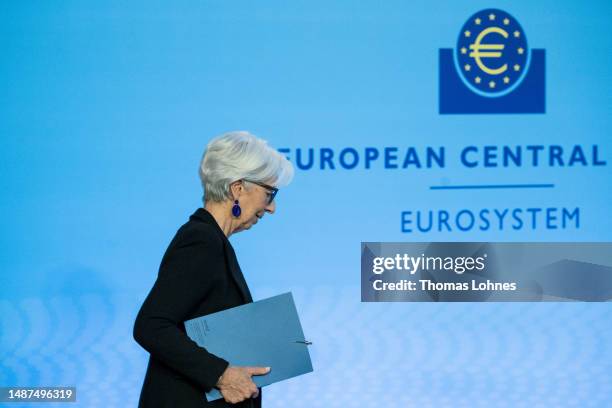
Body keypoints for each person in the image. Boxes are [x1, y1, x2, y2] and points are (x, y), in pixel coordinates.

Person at [133, 131, 294, 407]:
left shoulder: (213, 242)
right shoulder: (201, 240)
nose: (272, 208)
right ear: (238, 188)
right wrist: (222, 375)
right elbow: (151, 325)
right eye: (269, 194)